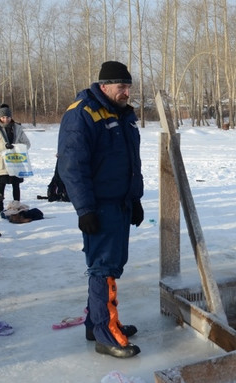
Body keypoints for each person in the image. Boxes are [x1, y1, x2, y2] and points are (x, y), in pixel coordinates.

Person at [58, 61, 144, 358]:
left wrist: (135, 199)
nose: (126, 92)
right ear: (104, 86)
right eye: (121, 87)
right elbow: (72, 166)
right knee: (103, 267)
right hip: (100, 204)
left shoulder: (123, 115)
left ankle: (97, 323)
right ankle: (107, 336)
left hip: (120, 202)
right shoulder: (83, 113)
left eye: (128, 86)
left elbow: (132, 162)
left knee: (111, 264)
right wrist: (84, 209)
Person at [0, 105, 30, 215]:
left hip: (15, 161)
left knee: (16, 185)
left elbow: (27, 144)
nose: (6, 119)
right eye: (3, 117)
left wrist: (17, 147)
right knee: (1, 185)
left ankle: (16, 205)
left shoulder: (17, 128)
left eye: (7, 117)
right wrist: (4, 146)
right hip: (1, 162)